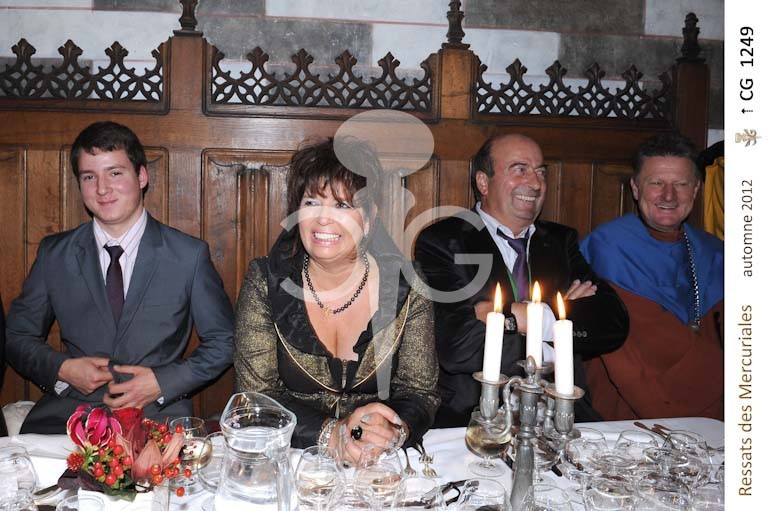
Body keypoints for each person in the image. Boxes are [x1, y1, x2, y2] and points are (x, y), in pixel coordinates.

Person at [5, 121, 234, 434]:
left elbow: (224, 341)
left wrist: (162, 383)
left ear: (141, 176)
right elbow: (16, 335)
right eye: (89, 177)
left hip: (157, 418)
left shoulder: (188, 256)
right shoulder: (54, 254)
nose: (102, 188)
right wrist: (63, 369)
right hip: (66, 418)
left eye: (115, 173)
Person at [234, 137, 439, 463]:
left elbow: (419, 391)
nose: (323, 219)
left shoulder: (408, 285)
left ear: (369, 218)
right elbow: (256, 398)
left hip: (379, 461)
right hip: (293, 460)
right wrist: (333, 434)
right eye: (311, 202)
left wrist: (391, 429)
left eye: (342, 205)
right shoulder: (265, 281)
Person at [414, 133, 629, 427]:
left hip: (560, 413)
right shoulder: (444, 241)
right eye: (520, 169)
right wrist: (557, 331)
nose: (536, 183)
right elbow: (458, 345)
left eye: (541, 172)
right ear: (483, 182)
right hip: (475, 417)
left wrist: (518, 317)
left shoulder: (560, 241)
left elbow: (613, 323)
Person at [580, 132, 724, 420]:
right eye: (656, 183)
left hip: (715, 410)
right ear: (635, 188)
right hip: (632, 414)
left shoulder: (715, 252)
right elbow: (624, 356)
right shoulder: (608, 247)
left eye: (681, 184)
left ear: (696, 190)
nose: (669, 196)